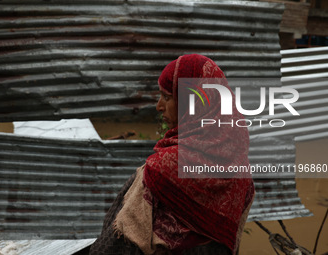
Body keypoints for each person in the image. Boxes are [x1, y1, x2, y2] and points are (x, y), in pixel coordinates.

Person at [90, 54, 255, 255]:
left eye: (167, 97)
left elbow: (110, 248)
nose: (159, 106)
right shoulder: (242, 176)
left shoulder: (161, 171)